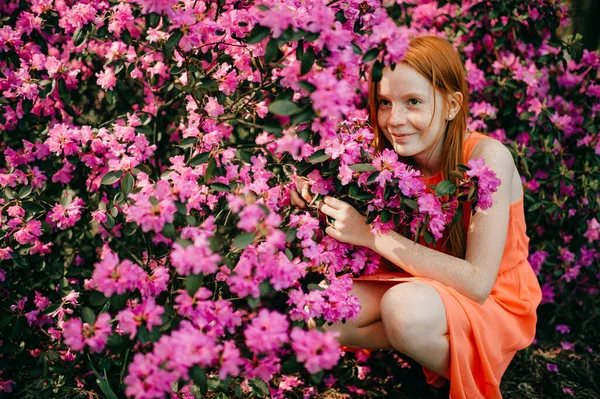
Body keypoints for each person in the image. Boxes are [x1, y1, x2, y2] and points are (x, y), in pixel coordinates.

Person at [289, 36, 543, 399]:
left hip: (493, 300)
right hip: (425, 288)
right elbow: (325, 174)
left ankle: (483, 361)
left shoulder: (488, 156)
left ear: (453, 105)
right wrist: (304, 185)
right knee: (326, 313)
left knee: (401, 309)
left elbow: (477, 283)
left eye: (413, 103)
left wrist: (371, 236)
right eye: (385, 103)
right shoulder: (386, 159)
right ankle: (412, 339)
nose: (395, 120)